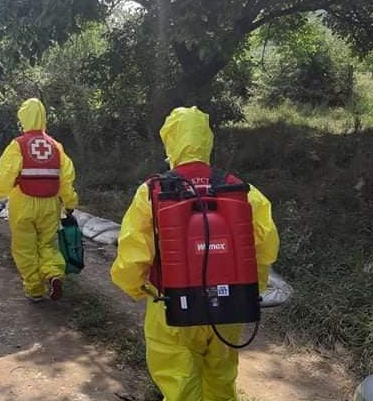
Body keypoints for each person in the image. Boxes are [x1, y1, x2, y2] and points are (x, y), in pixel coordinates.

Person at [110, 106, 280, 401]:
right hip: (229, 305)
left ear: (170, 142)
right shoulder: (241, 189)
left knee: (180, 383)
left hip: (172, 307)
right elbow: (265, 247)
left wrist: (137, 289)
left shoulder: (152, 191)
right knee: (220, 379)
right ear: (207, 141)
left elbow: (134, 252)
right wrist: (254, 288)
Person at [0, 98, 78, 302]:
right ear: (44, 118)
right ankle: (53, 274)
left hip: (23, 202)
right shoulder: (56, 146)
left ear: (23, 118)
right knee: (48, 244)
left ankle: (34, 289)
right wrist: (70, 203)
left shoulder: (17, 146)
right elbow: (66, 179)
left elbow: (5, 177)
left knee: (24, 247)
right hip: (50, 204)